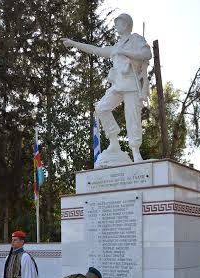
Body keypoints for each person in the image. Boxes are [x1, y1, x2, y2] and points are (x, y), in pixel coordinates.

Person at [62, 13, 152, 164]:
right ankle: (114, 141)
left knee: (132, 118)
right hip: (118, 85)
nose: (116, 26)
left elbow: (147, 54)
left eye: (119, 23)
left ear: (127, 25)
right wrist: (74, 44)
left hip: (132, 85)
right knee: (101, 108)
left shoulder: (136, 39)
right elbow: (96, 50)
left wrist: (125, 52)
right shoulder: (115, 47)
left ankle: (136, 152)